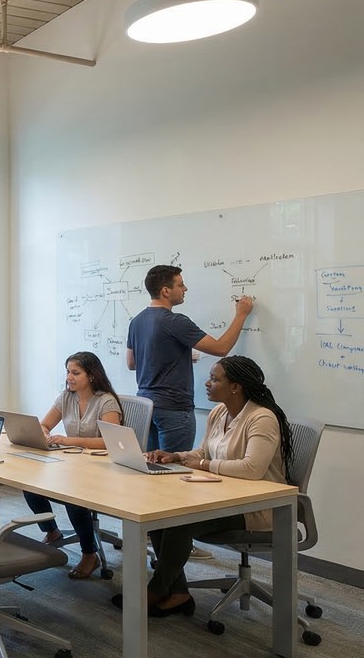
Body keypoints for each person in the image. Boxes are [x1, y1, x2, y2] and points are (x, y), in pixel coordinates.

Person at [116, 356, 294, 617]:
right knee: (161, 514)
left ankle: (156, 588)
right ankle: (178, 593)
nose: (207, 383)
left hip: (258, 507)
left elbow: (251, 469)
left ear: (236, 387)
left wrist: (201, 463)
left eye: (214, 378)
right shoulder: (219, 412)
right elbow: (204, 450)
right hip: (222, 495)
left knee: (179, 520)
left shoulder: (261, 418)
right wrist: (176, 456)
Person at [126, 264, 254, 453]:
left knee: (152, 470)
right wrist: (241, 315)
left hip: (146, 407)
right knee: (172, 471)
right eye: (181, 285)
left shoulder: (136, 321)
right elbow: (221, 348)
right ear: (166, 291)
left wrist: (173, 356)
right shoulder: (175, 321)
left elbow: (132, 363)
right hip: (173, 409)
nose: (185, 289)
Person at [22, 352, 123, 579]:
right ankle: (52, 532)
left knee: (72, 495)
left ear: (92, 375)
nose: (69, 377)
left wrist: (68, 440)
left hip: (103, 468)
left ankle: (90, 554)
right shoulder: (66, 397)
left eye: (75, 373)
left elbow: (110, 441)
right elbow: (45, 424)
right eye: (68, 372)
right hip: (73, 464)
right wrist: (45, 432)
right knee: (30, 484)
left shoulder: (106, 401)